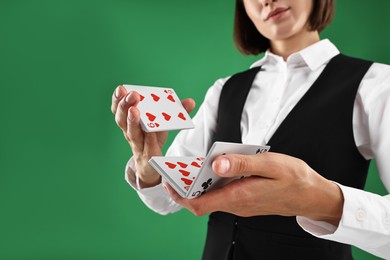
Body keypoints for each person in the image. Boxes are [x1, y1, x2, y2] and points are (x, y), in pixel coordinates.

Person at [111, 0, 390, 259]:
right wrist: (147, 167)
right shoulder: (224, 89)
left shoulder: (376, 84)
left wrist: (322, 200)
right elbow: (166, 199)